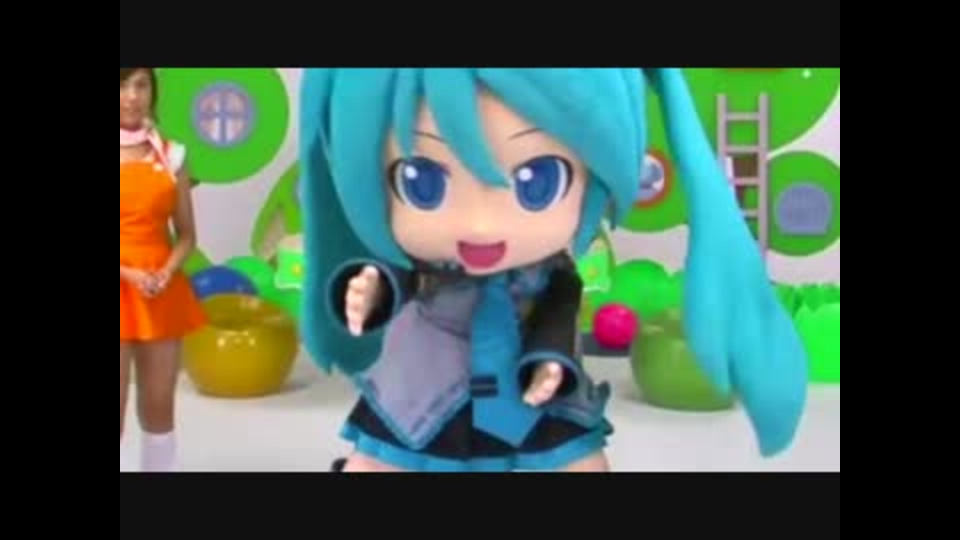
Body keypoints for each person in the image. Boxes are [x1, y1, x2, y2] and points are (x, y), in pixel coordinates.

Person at [300, 68, 809, 472]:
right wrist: (374, 288)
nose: (480, 226)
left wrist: (551, 360)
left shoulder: (550, 278)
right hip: (423, 394)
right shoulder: (426, 271)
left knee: (578, 462)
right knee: (382, 460)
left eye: (536, 181)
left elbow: (557, 311)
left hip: (531, 393)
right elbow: (402, 277)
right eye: (421, 182)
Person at [120, 68, 206, 472]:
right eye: (122, 86)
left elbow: (187, 235)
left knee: (159, 405)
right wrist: (129, 274)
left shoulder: (173, 154)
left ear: (153, 92)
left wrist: (168, 271)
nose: (132, 96)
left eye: (141, 85)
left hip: (159, 292)